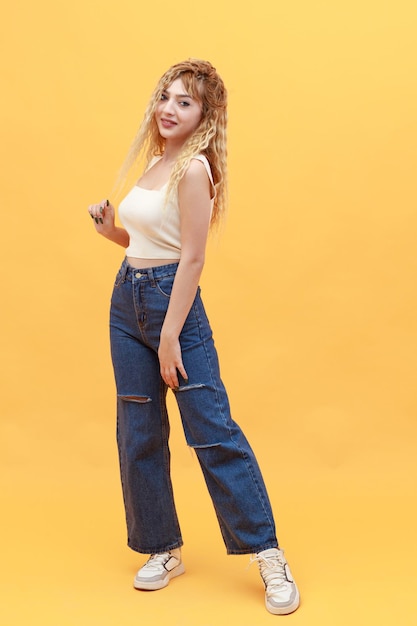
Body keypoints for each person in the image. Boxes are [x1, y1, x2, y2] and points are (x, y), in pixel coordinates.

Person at [88, 58, 300, 616]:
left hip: (171, 309)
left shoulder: (195, 170)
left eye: (185, 101)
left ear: (206, 115)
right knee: (138, 431)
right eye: (166, 96)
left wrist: (170, 337)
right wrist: (112, 231)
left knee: (212, 431)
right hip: (126, 301)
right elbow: (146, 242)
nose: (169, 108)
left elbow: (193, 258)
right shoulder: (157, 163)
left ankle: (267, 552)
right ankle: (162, 547)